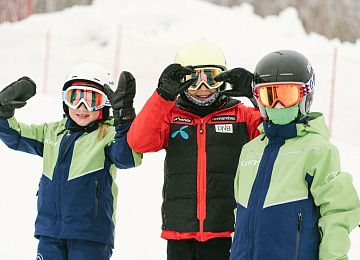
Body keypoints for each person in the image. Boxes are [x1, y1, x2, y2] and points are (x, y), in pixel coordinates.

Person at [127, 40, 262, 260]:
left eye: (210, 79)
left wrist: (256, 97)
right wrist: (163, 96)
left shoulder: (241, 115)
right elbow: (138, 141)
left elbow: (274, 136)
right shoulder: (170, 114)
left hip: (226, 229)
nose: (202, 88)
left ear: (223, 79)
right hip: (180, 230)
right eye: (193, 80)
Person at [0, 62, 142, 260]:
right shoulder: (52, 132)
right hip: (50, 232)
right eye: (74, 97)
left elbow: (128, 158)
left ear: (106, 103)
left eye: (92, 99)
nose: (82, 107)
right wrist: (3, 113)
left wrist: (124, 119)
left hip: (90, 235)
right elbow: (16, 137)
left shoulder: (109, 136)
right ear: (65, 101)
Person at [230, 50, 360, 260]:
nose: (278, 105)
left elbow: (338, 212)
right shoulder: (250, 150)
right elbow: (240, 216)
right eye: (270, 96)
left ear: (305, 96)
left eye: (287, 95)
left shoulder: (317, 150)